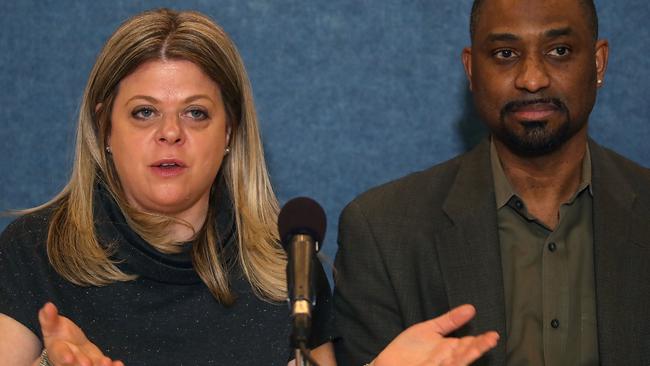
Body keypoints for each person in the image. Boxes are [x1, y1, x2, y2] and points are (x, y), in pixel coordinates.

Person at [0, 8, 339, 365]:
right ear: (105, 128)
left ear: (229, 131)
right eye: (145, 112)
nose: (171, 132)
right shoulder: (36, 251)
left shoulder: (290, 265)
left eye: (196, 113)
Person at [333, 0, 650, 365]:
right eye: (505, 53)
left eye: (559, 50)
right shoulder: (383, 234)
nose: (532, 78)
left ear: (598, 63)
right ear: (471, 70)